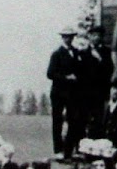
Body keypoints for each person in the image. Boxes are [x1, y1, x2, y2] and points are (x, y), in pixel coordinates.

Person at [48, 26, 83, 158]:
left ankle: (68, 150)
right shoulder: (57, 54)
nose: (69, 39)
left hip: (72, 94)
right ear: (62, 37)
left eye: (71, 36)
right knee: (57, 121)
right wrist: (66, 77)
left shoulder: (76, 52)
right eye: (66, 36)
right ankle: (58, 150)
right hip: (58, 93)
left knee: (73, 121)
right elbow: (50, 73)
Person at [82, 25, 115, 134]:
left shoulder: (106, 52)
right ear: (89, 36)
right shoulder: (83, 52)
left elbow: (110, 69)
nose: (96, 38)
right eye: (94, 35)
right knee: (84, 118)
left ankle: (96, 142)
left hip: (100, 91)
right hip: (86, 92)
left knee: (99, 118)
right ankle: (82, 144)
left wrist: (100, 59)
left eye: (99, 35)